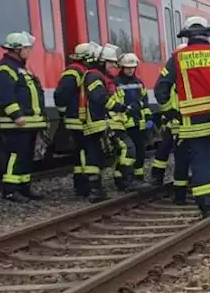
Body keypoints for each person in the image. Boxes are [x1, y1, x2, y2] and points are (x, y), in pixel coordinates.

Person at [153, 16, 210, 217]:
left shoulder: (177, 58)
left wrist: (171, 112)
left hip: (192, 123)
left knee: (200, 161)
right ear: (207, 34)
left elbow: (160, 89)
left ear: (187, 36)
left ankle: (206, 205)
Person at [0, 31, 46, 202]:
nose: (29, 52)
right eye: (27, 49)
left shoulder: (21, 68)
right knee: (15, 155)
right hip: (16, 124)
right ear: (17, 50)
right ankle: (9, 190)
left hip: (29, 124)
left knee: (26, 157)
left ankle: (24, 188)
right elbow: (5, 96)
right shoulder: (4, 69)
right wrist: (16, 115)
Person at [54, 42, 97, 197]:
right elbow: (61, 94)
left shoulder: (81, 71)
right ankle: (85, 185)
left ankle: (81, 184)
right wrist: (64, 112)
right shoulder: (74, 72)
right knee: (85, 151)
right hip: (77, 119)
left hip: (79, 118)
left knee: (81, 153)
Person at [107, 51, 149, 191]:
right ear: (122, 67)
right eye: (127, 67)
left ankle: (138, 178)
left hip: (139, 124)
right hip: (124, 124)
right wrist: (129, 109)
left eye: (132, 67)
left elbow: (145, 101)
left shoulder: (139, 83)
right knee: (126, 153)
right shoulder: (115, 83)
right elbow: (115, 103)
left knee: (140, 152)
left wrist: (148, 119)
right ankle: (123, 179)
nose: (130, 70)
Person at [79, 45, 112, 203]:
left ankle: (96, 189)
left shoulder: (91, 74)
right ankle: (95, 189)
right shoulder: (94, 76)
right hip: (95, 121)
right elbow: (99, 96)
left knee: (95, 154)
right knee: (95, 155)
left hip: (93, 121)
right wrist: (116, 106)